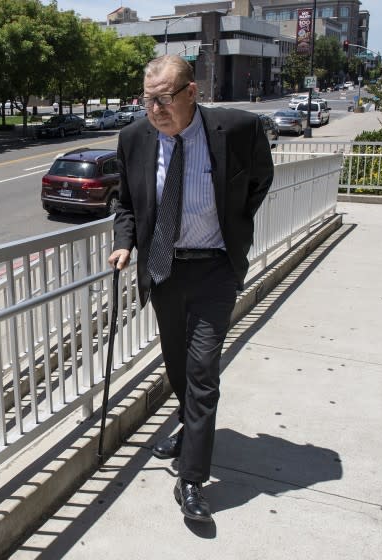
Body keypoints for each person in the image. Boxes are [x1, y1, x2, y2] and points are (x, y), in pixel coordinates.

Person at [108, 55, 273, 523]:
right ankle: (187, 425)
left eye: (164, 99)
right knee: (178, 365)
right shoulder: (134, 138)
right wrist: (125, 244)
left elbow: (259, 179)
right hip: (164, 270)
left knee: (203, 372)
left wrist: (234, 225)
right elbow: (126, 202)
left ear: (191, 93)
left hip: (215, 270)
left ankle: (193, 479)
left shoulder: (237, 129)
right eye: (147, 100)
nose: (155, 109)